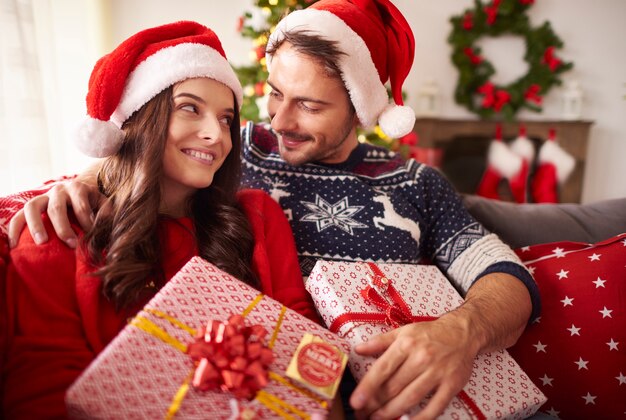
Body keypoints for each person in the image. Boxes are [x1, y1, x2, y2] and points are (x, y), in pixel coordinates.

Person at [6, 1, 541, 419]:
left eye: (309, 105)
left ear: (361, 108)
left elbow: (505, 275)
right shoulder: (226, 151)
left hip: (397, 398)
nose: (279, 120)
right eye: (274, 93)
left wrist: (460, 332)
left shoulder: (414, 185)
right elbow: (141, 154)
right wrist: (79, 183)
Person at [1, 21, 319, 419]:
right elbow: (44, 386)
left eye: (225, 119)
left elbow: (305, 342)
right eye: (190, 108)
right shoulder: (59, 227)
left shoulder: (256, 216)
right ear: (139, 117)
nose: (215, 135)